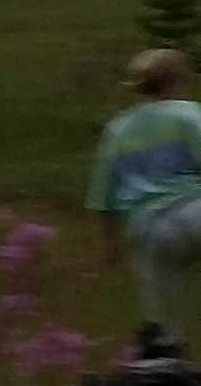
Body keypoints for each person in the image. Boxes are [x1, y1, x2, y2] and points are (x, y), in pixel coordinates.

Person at [86, 44, 201, 355]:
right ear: (178, 80)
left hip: (148, 229)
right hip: (194, 209)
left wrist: (110, 245)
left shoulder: (117, 129)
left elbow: (102, 194)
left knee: (164, 325)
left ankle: (170, 375)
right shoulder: (190, 113)